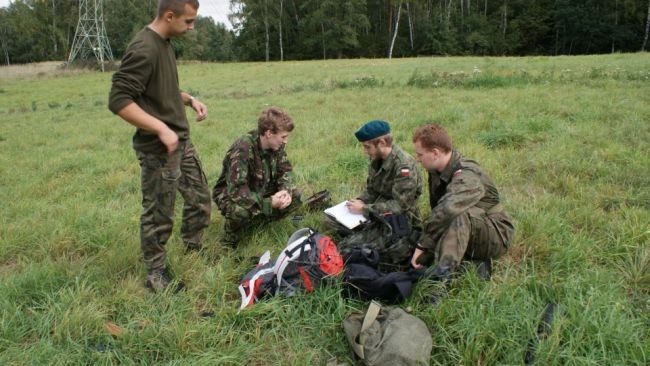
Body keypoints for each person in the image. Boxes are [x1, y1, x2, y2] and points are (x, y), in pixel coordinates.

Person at [108, 0, 211, 292]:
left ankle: (193, 247)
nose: (192, 28)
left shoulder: (164, 43)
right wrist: (161, 128)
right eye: (188, 22)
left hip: (181, 141)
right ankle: (156, 274)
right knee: (158, 213)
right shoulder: (144, 48)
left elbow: (161, 89)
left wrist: (190, 100)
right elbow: (118, 100)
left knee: (200, 198)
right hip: (158, 149)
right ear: (169, 16)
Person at [410, 123, 514, 278]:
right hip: (472, 227)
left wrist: (423, 245)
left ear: (435, 153)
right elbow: (437, 211)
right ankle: (470, 264)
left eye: (420, 155)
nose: (417, 159)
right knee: (425, 231)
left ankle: (440, 279)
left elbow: (448, 209)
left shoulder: (467, 174)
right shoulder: (436, 169)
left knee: (456, 215)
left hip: (496, 235)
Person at [333, 120, 423, 268]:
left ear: (381, 143)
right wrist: (358, 201)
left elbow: (400, 206)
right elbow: (372, 190)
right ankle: (362, 232)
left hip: (398, 221)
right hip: (377, 212)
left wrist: (364, 209)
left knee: (346, 250)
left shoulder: (404, 166)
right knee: (331, 220)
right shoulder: (377, 160)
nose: (365, 151)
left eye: (367, 147)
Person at [213, 107, 300, 247]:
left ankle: (259, 223)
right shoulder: (243, 149)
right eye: (283, 137)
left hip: (260, 188)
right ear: (269, 133)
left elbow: (285, 171)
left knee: (295, 196)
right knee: (240, 211)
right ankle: (229, 238)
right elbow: (237, 192)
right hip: (231, 194)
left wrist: (285, 191)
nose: (286, 141)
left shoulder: (277, 146)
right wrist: (269, 202)